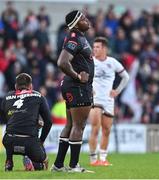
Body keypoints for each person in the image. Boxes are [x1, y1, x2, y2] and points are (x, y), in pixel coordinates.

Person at [51, 10, 94, 173]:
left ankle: (58, 165)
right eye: (83, 18)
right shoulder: (74, 38)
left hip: (74, 86)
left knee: (70, 125)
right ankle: (74, 165)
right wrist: (77, 76)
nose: (87, 20)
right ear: (75, 23)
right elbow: (62, 62)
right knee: (79, 126)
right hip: (77, 86)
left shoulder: (79, 38)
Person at [89, 37, 129, 166]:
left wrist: (117, 91)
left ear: (104, 48)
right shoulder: (90, 62)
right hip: (95, 100)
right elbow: (82, 78)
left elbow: (126, 77)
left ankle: (103, 158)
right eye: (94, 47)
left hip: (108, 100)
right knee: (95, 128)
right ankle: (93, 159)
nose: (94, 49)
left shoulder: (112, 62)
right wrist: (89, 90)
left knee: (106, 130)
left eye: (97, 47)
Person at [0, 73, 52, 171]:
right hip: (30, 142)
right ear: (30, 86)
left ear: (16, 86)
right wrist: (41, 141)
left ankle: (9, 161)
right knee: (42, 164)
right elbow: (48, 122)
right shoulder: (38, 96)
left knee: (10, 133)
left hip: (9, 142)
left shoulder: (7, 97)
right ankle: (31, 157)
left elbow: (3, 119)